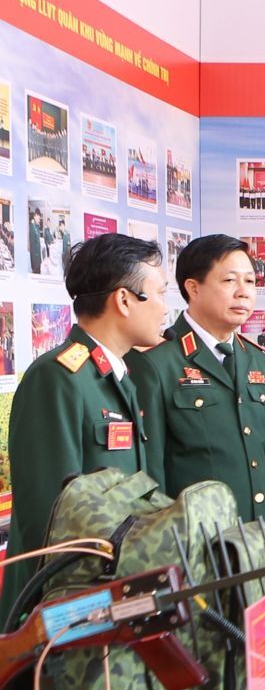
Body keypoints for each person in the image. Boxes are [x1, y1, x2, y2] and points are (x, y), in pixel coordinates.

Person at [3, 235, 169, 616]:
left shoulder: (117, 375)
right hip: (63, 606)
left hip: (111, 592)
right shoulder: (58, 378)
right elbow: (49, 518)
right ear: (124, 300)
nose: (164, 308)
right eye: (159, 293)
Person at [130, 234, 265, 545]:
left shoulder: (255, 359)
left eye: (250, 281)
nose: (243, 292)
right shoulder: (156, 363)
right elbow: (150, 473)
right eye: (229, 280)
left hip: (261, 537)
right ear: (193, 288)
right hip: (201, 546)